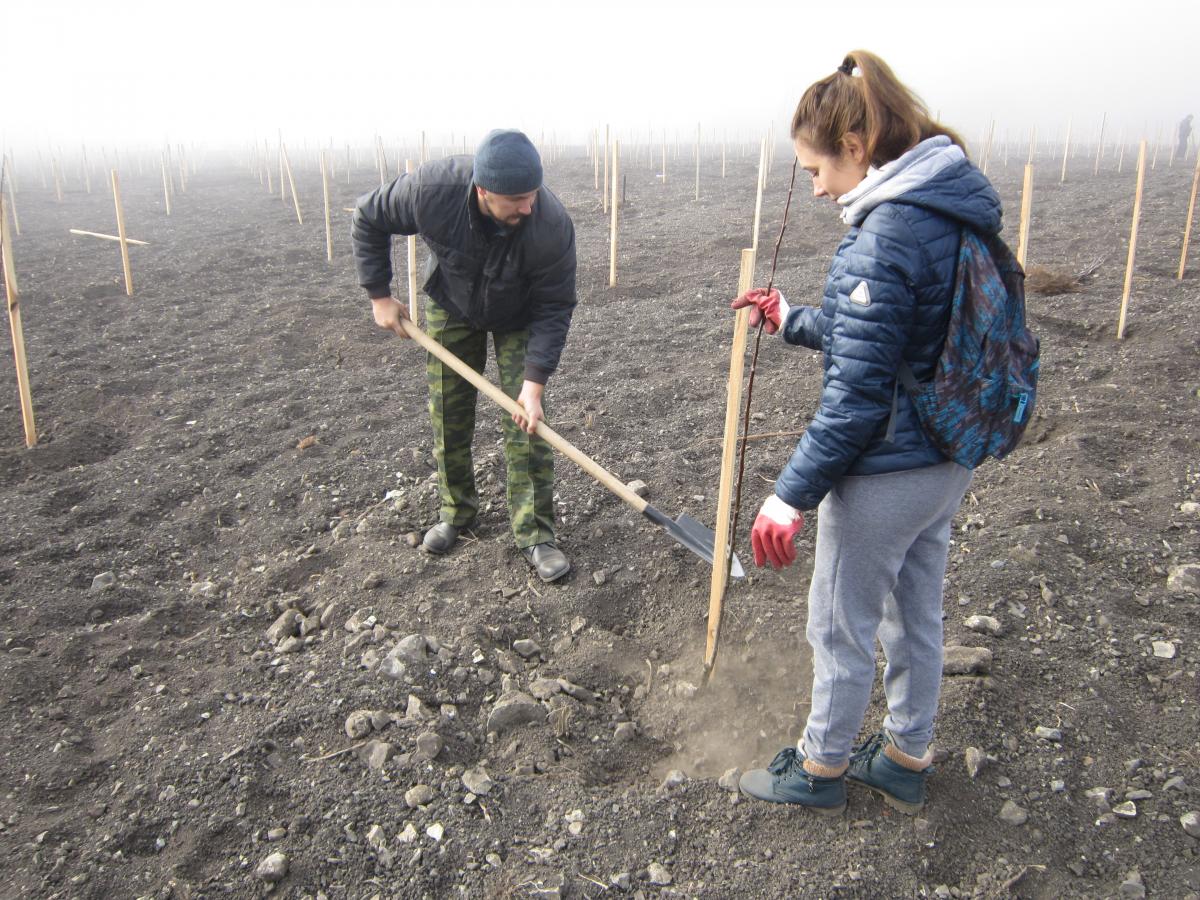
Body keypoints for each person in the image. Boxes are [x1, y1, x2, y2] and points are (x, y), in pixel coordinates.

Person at [731, 51, 1003, 815]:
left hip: (887, 466)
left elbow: (855, 397)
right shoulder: (948, 207)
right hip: (947, 453)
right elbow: (886, 334)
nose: (813, 186)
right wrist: (791, 319)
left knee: (839, 624)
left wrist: (788, 497)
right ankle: (907, 757)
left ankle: (819, 773)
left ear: (855, 147)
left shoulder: (885, 235)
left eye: (815, 168)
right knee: (916, 612)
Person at [352, 129, 577, 582]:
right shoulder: (432, 192)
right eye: (517, 200)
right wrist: (379, 296)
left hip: (520, 313)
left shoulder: (550, 225)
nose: (528, 207)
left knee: (527, 422)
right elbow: (368, 216)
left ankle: (535, 533)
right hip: (452, 301)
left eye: (532, 195)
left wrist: (533, 384)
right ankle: (456, 512)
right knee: (448, 409)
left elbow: (555, 306)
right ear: (483, 191)